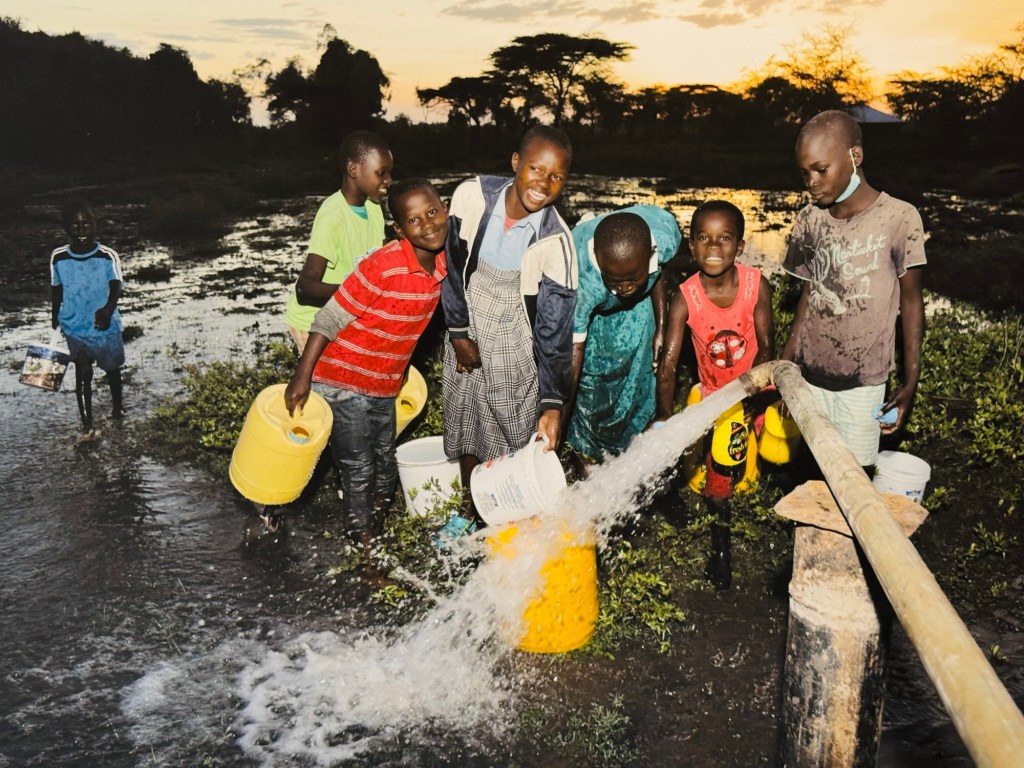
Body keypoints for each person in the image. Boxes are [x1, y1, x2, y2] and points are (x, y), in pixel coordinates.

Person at [284, 178, 448, 580]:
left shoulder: (446, 261)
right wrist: (301, 376)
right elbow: (329, 317)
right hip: (341, 379)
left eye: (432, 212)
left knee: (386, 469)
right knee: (358, 469)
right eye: (414, 220)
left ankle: (367, 529)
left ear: (445, 209)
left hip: (383, 385)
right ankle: (366, 550)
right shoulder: (383, 265)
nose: (427, 225)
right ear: (399, 230)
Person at [441, 125, 576, 526]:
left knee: (510, 422)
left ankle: (508, 511)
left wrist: (552, 401)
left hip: (514, 330)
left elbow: (555, 329)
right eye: (535, 168)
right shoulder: (472, 196)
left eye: (556, 176)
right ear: (516, 163)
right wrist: (459, 333)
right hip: (466, 313)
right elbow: (450, 268)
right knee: (466, 414)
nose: (543, 183)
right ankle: (469, 508)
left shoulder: (557, 243)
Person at [781, 109, 926, 475]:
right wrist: (785, 367)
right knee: (808, 473)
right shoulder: (810, 220)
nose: (811, 182)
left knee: (854, 478)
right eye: (804, 173)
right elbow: (809, 295)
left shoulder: (899, 218)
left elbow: (911, 303)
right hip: (810, 374)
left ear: (854, 157)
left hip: (863, 384)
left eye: (821, 169)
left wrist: (910, 381)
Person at [656, 200, 774, 589]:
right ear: (691, 246)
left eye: (724, 239)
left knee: (774, 451)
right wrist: (663, 414)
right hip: (714, 395)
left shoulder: (757, 286)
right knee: (720, 472)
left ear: (740, 246)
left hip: (754, 390)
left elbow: (768, 347)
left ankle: (769, 485)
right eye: (703, 238)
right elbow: (670, 363)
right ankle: (721, 551)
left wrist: (761, 396)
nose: (713, 248)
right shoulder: (685, 297)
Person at [564, 206, 682, 459]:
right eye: (617, 281)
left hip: (641, 306)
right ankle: (588, 450)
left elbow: (658, 272)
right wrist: (559, 418)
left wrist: (661, 328)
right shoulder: (581, 282)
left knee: (640, 374)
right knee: (593, 382)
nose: (626, 288)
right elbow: (573, 357)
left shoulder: (663, 239)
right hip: (596, 319)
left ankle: (633, 444)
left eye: (633, 278)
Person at [283, 131, 393, 353]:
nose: (388, 180)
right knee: (329, 386)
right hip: (312, 323)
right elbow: (305, 288)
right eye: (381, 173)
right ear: (353, 170)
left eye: (390, 173)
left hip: (343, 315)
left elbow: (378, 260)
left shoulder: (373, 206)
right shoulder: (333, 216)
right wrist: (360, 291)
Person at [50, 200, 126, 439]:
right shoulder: (59, 257)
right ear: (65, 228)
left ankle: (117, 407)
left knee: (112, 369)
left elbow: (116, 286)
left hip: (105, 327)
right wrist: (55, 316)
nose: (81, 230)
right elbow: (57, 288)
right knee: (82, 373)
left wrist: (107, 309)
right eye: (75, 225)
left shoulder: (107, 255)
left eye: (86, 224)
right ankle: (87, 426)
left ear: (95, 225)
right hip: (75, 326)